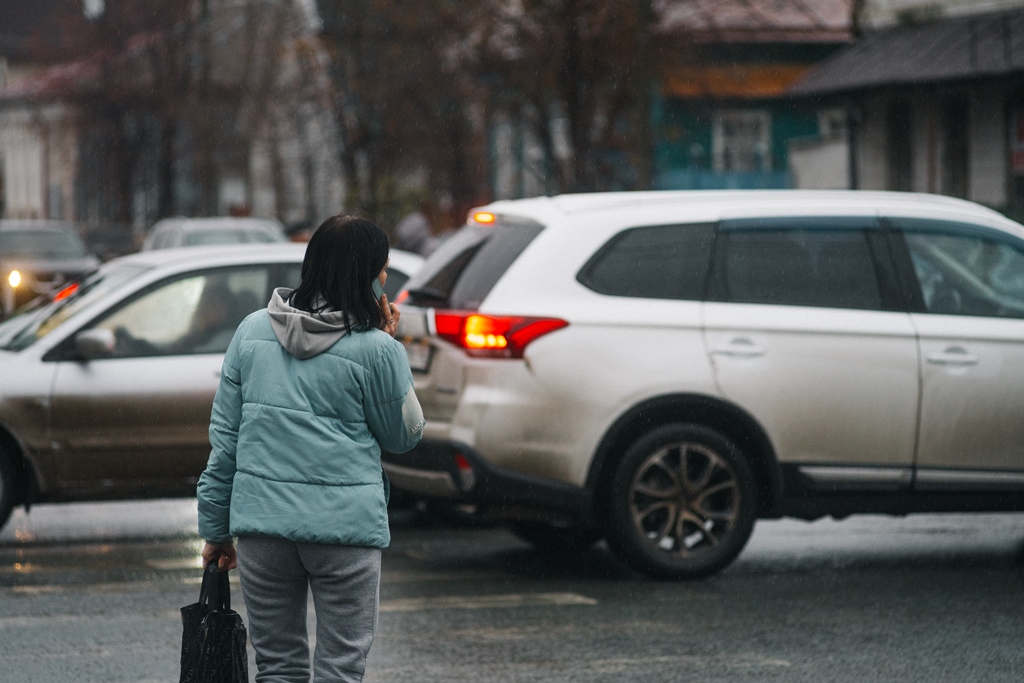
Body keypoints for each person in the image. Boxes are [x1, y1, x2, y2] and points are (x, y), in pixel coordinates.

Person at [196, 215, 425, 683]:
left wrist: (215, 529)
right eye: (381, 269)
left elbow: (225, 442)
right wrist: (388, 347)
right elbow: (403, 435)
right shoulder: (375, 349)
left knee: (278, 667)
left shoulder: (251, 332)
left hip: (264, 530)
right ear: (365, 274)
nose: (385, 278)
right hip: (344, 532)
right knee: (340, 668)